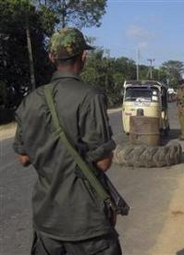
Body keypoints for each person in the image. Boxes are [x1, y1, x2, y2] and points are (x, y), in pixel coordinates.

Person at [13, 27, 122, 255]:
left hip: (47, 222)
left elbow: (23, 158)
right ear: (83, 56)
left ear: (52, 58)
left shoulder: (30, 101)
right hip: (87, 224)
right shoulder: (90, 97)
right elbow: (103, 163)